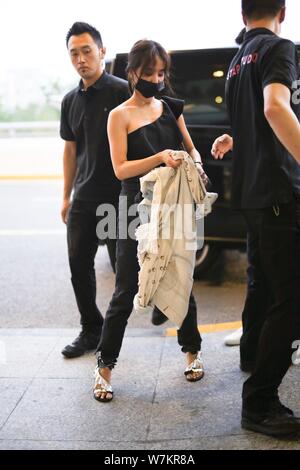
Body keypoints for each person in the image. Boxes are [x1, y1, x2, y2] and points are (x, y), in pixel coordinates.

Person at [93, 39, 207, 402]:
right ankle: (104, 366)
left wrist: (198, 166)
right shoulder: (119, 115)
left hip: (174, 204)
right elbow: (120, 168)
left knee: (181, 276)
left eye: (161, 73)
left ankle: (192, 352)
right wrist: (160, 156)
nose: (156, 80)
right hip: (133, 209)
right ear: (133, 72)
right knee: (126, 286)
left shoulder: (171, 107)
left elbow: (191, 148)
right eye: (149, 73)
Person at [212, 0, 300, 437]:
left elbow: (250, 123)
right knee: (292, 298)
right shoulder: (278, 49)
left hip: (248, 191)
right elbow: (274, 108)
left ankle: (252, 355)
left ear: (243, 13)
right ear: (282, 11)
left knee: (262, 284)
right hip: (277, 191)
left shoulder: (235, 61)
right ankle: (260, 401)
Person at [60, 22, 129, 358]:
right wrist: (66, 195)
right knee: (78, 265)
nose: (81, 59)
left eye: (87, 51)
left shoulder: (122, 91)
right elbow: (71, 150)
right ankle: (91, 330)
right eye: (74, 53)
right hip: (83, 199)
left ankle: (114, 335)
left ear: (102, 51)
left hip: (118, 199)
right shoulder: (70, 100)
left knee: (124, 270)